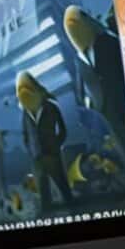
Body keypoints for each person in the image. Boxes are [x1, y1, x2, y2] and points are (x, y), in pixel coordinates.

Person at [64, 5, 125, 160]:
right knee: (124, 146)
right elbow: (80, 87)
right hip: (106, 112)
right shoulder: (78, 60)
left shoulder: (108, 41)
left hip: (124, 99)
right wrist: (88, 103)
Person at [16, 70, 72, 215]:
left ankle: (72, 206)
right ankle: (47, 210)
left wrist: (56, 144)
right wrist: (31, 150)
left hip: (52, 153)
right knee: (42, 187)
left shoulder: (50, 106)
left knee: (61, 182)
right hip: (37, 156)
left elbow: (63, 129)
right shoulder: (25, 113)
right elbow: (25, 134)